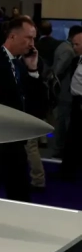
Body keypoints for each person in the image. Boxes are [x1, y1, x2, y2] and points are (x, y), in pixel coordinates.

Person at [0, 16, 48, 202]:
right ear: (13, 36)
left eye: (34, 39)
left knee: (20, 195)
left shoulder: (21, 66)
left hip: (16, 142)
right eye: (29, 38)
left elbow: (36, 104)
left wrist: (33, 70)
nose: (32, 44)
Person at [52, 25, 82, 158]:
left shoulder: (64, 48)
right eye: (74, 44)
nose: (74, 47)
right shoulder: (73, 56)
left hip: (74, 99)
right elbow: (59, 71)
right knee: (66, 126)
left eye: (77, 44)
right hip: (70, 97)